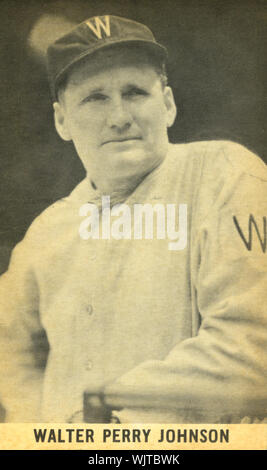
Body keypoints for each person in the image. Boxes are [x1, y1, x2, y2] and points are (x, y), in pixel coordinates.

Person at [0, 15, 266, 423]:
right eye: (96, 98)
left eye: (135, 92)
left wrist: (108, 416)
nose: (120, 116)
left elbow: (251, 346)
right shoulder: (47, 232)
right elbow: (10, 352)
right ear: (62, 121)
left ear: (168, 104)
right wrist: (41, 427)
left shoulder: (224, 175)